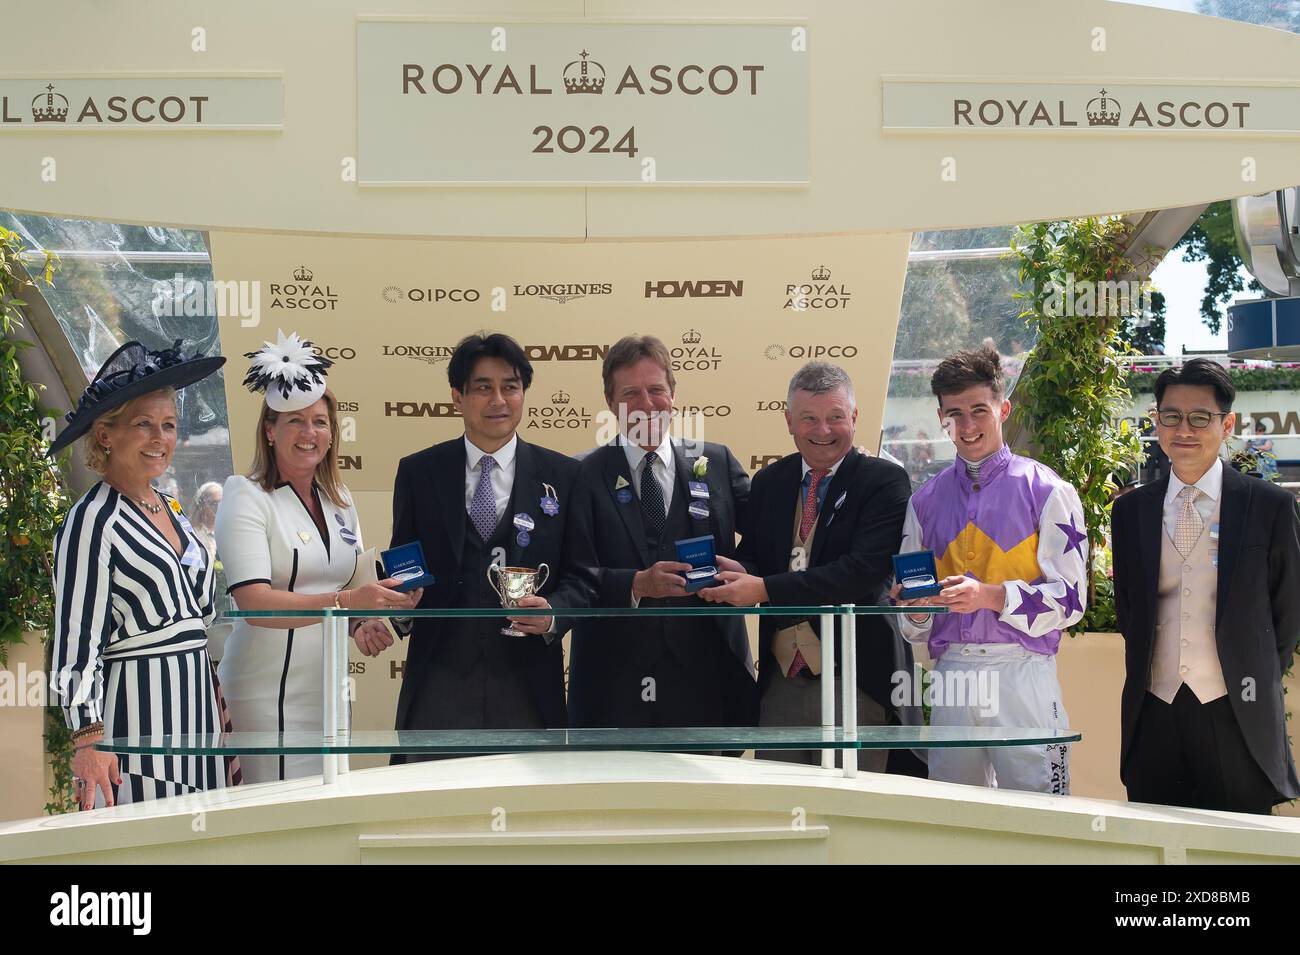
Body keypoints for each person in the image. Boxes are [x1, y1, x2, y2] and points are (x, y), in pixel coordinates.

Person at [215, 330, 421, 783]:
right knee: (272, 831)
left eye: (320, 421)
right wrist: (349, 605)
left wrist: (363, 623)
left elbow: (347, 590)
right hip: (264, 698)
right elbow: (256, 606)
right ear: (270, 431)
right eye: (295, 421)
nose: (310, 433)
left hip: (329, 694)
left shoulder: (340, 498)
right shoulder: (245, 495)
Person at [47, 339, 234, 808]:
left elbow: (201, 613)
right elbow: (76, 645)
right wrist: (88, 739)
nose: (160, 438)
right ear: (105, 435)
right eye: (143, 424)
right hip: (136, 721)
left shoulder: (171, 508)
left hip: (199, 712)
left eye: (169, 425)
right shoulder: (91, 521)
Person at [892, 346, 1086, 794]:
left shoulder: (1049, 490)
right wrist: (918, 607)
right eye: (955, 414)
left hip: (1024, 671)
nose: (968, 426)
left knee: (1041, 811)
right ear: (941, 416)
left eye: (979, 410)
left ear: (1004, 408)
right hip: (952, 674)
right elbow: (914, 626)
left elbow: (1071, 602)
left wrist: (990, 596)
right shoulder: (923, 500)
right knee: (954, 812)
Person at [1111, 358, 1300, 813]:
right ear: (1156, 421)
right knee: (1155, 844)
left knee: (1237, 849)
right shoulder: (1130, 511)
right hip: (1154, 709)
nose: (1184, 429)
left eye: (1201, 418)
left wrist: (1245, 674)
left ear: (1227, 424)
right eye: (1171, 416)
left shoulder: (1271, 506)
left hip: (1237, 711)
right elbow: (1129, 611)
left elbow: (1288, 612)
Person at [701, 362, 911, 769]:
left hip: (855, 680)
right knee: (781, 807)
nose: (823, 431)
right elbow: (761, 556)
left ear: (854, 417)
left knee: (855, 809)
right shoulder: (769, 482)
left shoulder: (884, 482)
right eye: (809, 419)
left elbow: (859, 573)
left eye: (836, 417)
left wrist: (762, 590)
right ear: (788, 422)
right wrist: (736, 571)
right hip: (782, 681)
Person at [387, 332, 587, 759]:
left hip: (529, 688)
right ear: (457, 397)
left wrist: (555, 613)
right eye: (483, 387)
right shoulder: (419, 473)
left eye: (510, 387)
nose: (499, 399)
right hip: (438, 686)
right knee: (432, 815)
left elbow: (584, 576)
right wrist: (397, 606)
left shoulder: (565, 476)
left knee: (529, 816)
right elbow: (401, 568)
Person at [566, 335, 757, 733]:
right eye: (631, 393)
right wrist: (636, 584)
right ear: (610, 403)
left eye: (656, 390)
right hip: (612, 687)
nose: (646, 404)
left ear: (673, 394)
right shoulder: (580, 475)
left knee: (707, 797)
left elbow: (769, 539)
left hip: (710, 678)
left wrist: (740, 576)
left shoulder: (717, 461)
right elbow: (573, 574)